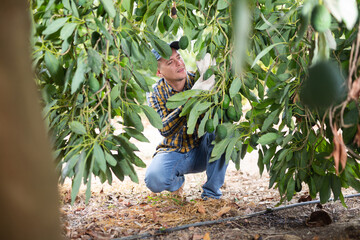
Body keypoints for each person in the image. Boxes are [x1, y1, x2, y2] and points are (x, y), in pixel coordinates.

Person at [145, 41, 228, 200]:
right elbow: (164, 128)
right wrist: (191, 99)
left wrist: (221, 79)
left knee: (225, 132)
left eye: (179, 57)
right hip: (175, 151)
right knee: (154, 180)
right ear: (158, 72)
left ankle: (211, 195)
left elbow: (220, 116)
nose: (179, 63)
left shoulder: (200, 79)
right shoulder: (155, 94)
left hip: (204, 151)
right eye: (170, 62)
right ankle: (176, 182)